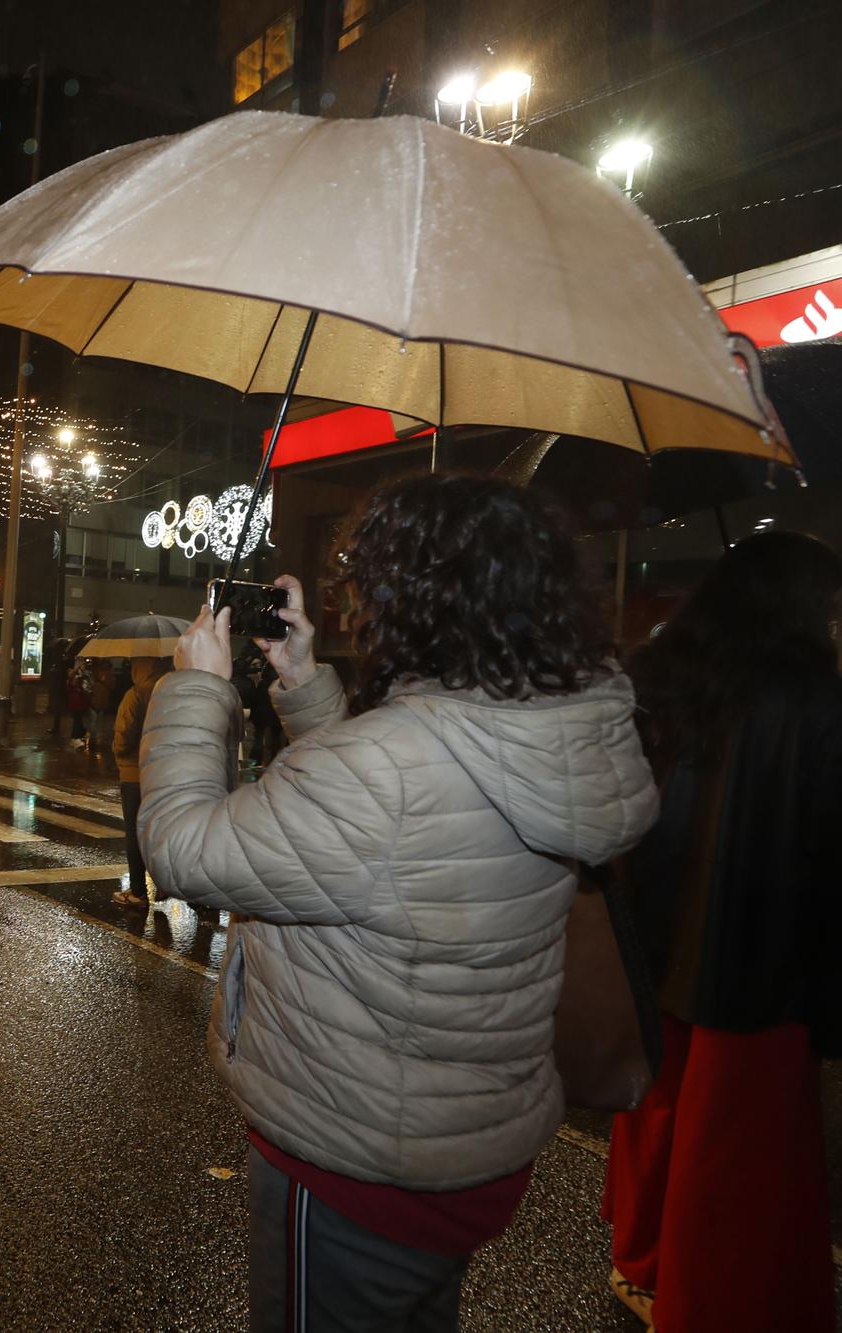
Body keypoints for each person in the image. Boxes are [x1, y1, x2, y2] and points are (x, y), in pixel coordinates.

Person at [137, 474, 658, 1332]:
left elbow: (185, 849)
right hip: (465, 1141)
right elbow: (397, 823)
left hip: (355, 1160)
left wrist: (197, 688)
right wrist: (304, 683)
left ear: (413, 596)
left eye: (364, 572)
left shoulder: (390, 763)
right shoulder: (556, 727)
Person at [600, 531, 842, 1333]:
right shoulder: (812, 697)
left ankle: (639, 1261)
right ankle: (703, 1304)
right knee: (736, 1151)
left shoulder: (665, 678)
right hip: (756, 956)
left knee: (657, 1111)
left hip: (656, 938)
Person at [109, 654, 171, 910]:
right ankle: (165, 884)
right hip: (164, 773)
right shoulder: (171, 693)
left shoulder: (136, 695)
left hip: (135, 774)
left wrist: (118, 750)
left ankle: (137, 892)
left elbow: (124, 736)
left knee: (136, 834)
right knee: (159, 832)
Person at [85, 659, 118, 760]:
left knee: (94, 722)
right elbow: (113, 687)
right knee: (96, 722)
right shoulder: (109, 677)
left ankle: (92, 739)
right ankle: (93, 739)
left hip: (95, 702)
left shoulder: (96, 676)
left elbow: (89, 688)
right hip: (101, 702)